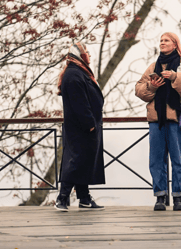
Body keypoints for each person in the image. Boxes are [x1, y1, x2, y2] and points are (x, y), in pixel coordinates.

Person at [135, 32, 181, 211]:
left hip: (176, 119)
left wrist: (175, 77)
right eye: (161, 41)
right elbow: (139, 90)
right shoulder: (153, 66)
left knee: (177, 160)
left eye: (166, 41)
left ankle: (178, 198)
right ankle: (160, 197)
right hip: (156, 120)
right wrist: (151, 86)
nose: (162, 43)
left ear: (175, 44)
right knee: (156, 160)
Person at [55, 42, 105, 211]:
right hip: (80, 127)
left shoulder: (78, 72)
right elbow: (79, 104)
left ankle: (84, 197)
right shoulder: (74, 75)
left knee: (83, 161)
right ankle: (62, 198)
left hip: (84, 126)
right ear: (81, 56)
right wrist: (90, 124)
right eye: (87, 53)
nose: (89, 56)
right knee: (74, 162)